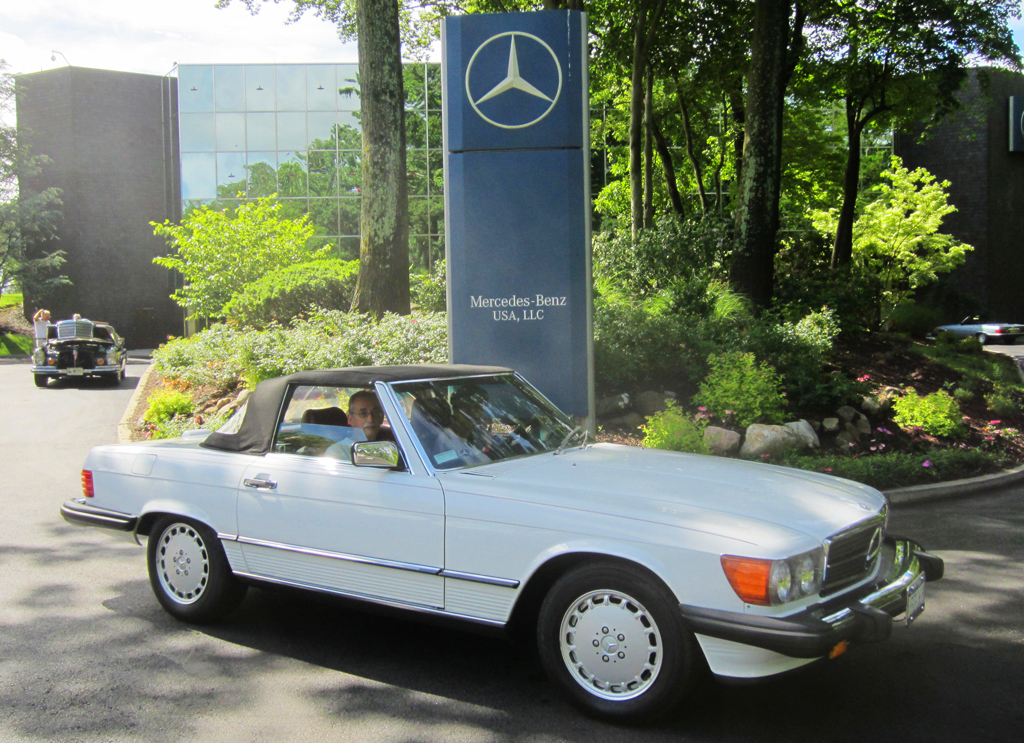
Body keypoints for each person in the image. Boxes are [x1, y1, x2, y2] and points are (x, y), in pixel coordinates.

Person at [323, 390, 390, 461]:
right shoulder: (338, 452)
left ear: (382, 417)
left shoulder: (389, 446)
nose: (370, 419)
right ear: (350, 419)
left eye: (376, 412)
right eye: (363, 413)